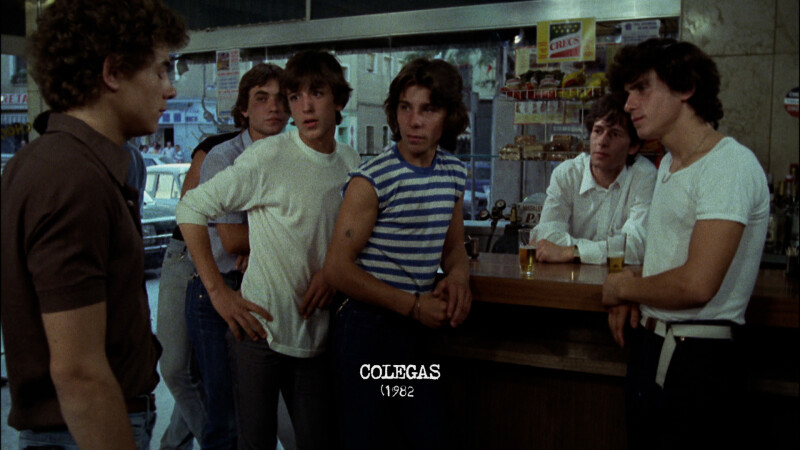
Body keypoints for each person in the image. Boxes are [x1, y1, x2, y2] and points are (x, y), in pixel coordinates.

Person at [0, 1, 187, 449]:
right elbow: (79, 373)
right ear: (113, 72)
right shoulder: (71, 177)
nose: (171, 89)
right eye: (162, 70)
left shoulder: (56, 161)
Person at [177, 50, 360, 450]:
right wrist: (218, 292)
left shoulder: (349, 160)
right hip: (260, 331)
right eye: (295, 96)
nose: (305, 106)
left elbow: (349, 236)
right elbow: (190, 208)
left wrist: (332, 272)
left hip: (315, 331)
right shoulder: (269, 155)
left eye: (317, 93)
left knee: (319, 441)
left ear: (339, 99)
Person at [602, 38, 769, 450]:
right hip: (654, 346)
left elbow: (697, 283)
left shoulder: (728, 164)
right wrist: (638, 290)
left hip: (698, 360)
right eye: (628, 92)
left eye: (642, 88)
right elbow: (668, 264)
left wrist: (623, 289)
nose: (629, 104)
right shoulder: (668, 165)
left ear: (686, 87)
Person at [322, 58, 472, 450]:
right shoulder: (373, 178)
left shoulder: (453, 172)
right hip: (366, 328)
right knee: (374, 439)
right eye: (406, 108)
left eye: (428, 109)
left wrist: (458, 277)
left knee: (429, 434)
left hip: (411, 329)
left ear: (448, 116)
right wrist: (415, 306)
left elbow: (453, 247)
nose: (414, 121)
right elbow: (336, 268)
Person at [181, 63, 291, 449]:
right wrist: (275, 239)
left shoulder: (294, 156)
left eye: (282, 98)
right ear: (244, 109)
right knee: (226, 415)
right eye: (261, 98)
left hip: (269, 284)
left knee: (260, 412)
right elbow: (231, 240)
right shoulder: (223, 157)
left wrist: (259, 244)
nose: (273, 107)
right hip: (220, 288)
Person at [156, 131, 238, 450]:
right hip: (187, 256)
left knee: (207, 374)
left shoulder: (277, 151)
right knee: (177, 369)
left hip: (232, 264)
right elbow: (187, 210)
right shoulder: (216, 147)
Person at [533, 92, 656, 265]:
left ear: (633, 146)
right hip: (568, 277)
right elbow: (547, 238)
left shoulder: (644, 175)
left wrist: (572, 251)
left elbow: (637, 246)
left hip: (622, 278)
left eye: (615, 134)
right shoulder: (567, 174)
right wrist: (604, 251)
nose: (602, 142)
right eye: (597, 131)